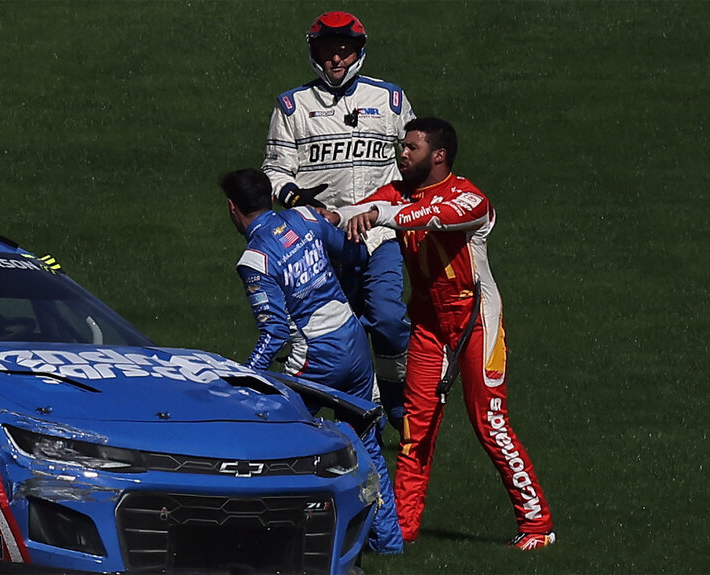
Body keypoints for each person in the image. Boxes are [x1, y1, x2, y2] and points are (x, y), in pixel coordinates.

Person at [328, 117, 556, 549]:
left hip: (476, 323)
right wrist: (335, 216)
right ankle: (401, 532)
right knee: (416, 432)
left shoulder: (469, 199)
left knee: (491, 426)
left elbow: (426, 217)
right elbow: (364, 209)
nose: (402, 153)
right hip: (429, 326)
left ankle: (538, 524)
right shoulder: (397, 193)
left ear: (438, 156)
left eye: (411, 147)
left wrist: (378, 214)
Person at [219, 167, 403, 554]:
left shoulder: (255, 260)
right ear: (270, 197)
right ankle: (388, 543)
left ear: (233, 209)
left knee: (277, 442)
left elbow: (274, 334)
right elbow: (353, 252)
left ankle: (274, 539)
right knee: (368, 444)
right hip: (353, 344)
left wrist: (245, 377)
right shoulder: (306, 217)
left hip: (315, 360)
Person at [261, 10, 414, 429]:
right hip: (320, 241)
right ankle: (349, 418)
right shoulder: (292, 105)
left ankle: (399, 405)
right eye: (328, 52)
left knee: (386, 317)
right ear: (315, 53)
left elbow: (412, 161)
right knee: (332, 335)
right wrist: (295, 197)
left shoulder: (391, 100)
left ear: (358, 52)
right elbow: (274, 169)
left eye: (344, 51)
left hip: (379, 233)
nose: (336, 61)